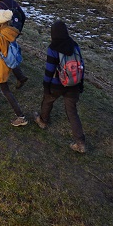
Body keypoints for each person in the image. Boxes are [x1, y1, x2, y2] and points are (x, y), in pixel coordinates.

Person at [34, 20, 86, 153]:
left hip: (57, 84)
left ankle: (43, 121)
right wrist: (80, 84)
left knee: (47, 100)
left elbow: (49, 70)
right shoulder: (75, 45)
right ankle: (80, 143)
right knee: (72, 112)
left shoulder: (53, 47)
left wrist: (46, 85)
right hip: (73, 84)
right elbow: (81, 65)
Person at [0, 0, 29, 88]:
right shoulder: (14, 3)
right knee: (9, 52)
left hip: (4, 33)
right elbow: (23, 16)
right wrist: (18, 30)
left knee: (4, 53)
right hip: (14, 32)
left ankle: (16, 76)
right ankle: (20, 76)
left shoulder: (0, 5)